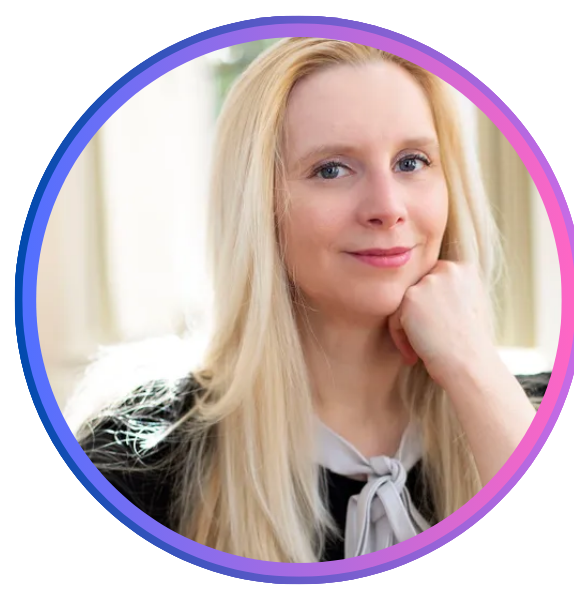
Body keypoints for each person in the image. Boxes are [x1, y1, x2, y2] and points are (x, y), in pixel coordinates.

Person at [70, 37, 545, 563]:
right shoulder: (136, 463)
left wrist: (473, 369)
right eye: (331, 169)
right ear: (260, 206)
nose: (387, 207)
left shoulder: (530, 408)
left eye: (411, 162)